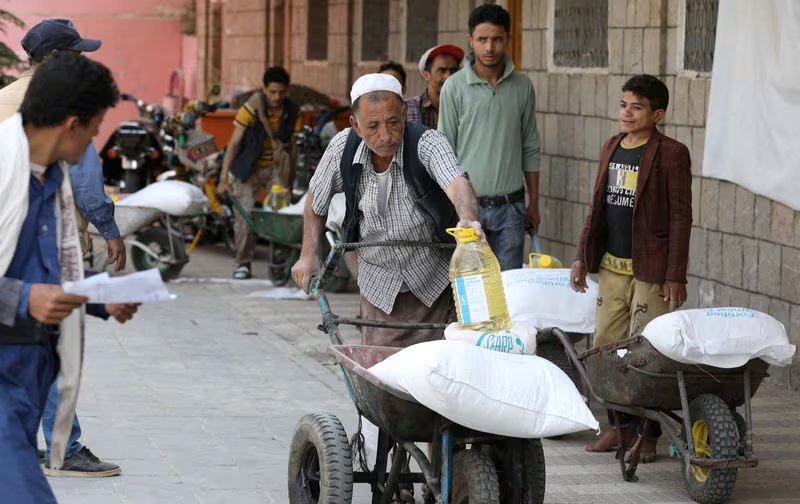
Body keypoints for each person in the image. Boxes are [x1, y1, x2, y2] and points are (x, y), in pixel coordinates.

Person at [0, 53, 137, 504]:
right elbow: (29, 289)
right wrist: (23, 299)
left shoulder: (50, 179)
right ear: (72, 124)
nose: (93, 142)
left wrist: (100, 296)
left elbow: (50, 272)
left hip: (27, 378)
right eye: (94, 131)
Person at [291, 73, 482, 346]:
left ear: (404, 114)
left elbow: (456, 183)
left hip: (432, 277)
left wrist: (468, 218)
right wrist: (308, 254)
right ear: (355, 125)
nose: (385, 136)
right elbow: (316, 202)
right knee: (381, 363)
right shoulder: (342, 148)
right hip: (378, 282)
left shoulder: (428, 142)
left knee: (434, 362)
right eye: (373, 126)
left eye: (393, 122)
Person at [572, 74, 692, 463]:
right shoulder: (611, 146)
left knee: (644, 352)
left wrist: (675, 275)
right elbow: (596, 207)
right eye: (624, 105)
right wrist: (581, 256)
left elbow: (681, 217)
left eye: (637, 107)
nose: (626, 113)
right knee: (607, 348)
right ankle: (618, 428)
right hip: (612, 266)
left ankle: (648, 435)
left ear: (658, 114)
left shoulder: (671, 153)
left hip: (651, 270)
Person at [438, 4, 541, 271]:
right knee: (471, 284)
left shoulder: (523, 86)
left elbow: (530, 146)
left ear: (508, 39)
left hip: (512, 209)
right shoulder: (454, 87)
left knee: (508, 286)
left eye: (497, 39)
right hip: (468, 212)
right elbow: (443, 151)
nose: (489, 47)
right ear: (470, 40)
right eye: (482, 39)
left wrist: (534, 203)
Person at [217, 66, 301, 280]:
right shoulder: (250, 108)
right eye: (272, 92)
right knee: (244, 216)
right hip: (248, 168)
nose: (277, 97)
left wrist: (290, 181)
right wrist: (223, 178)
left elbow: (293, 148)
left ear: (287, 90)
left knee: (281, 216)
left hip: (276, 169)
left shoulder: (293, 111)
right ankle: (243, 263)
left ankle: (279, 263)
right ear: (264, 89)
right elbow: (234, 144)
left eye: (281, 92)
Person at [406, 44, 464, 129]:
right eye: (442, 71)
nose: (448, 76)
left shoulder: (465, 107)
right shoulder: (408, 109)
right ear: (426, 75)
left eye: (453, 70)